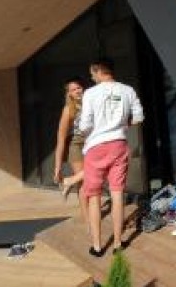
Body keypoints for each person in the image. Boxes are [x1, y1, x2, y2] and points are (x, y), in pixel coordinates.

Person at [78, 58, 143, 257]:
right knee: (117, 194)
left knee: (94, 196)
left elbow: (84, 125)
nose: (91, 76)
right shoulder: (128, 90)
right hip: (119, 145)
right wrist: (121, 125)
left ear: (98, 71)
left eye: (92, 73)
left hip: (96, 148)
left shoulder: (90, 93)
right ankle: (117, 243)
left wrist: (89, 130)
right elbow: (139, 117)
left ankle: (97, 246)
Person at [53, 77, 89, 223]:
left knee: (95, 173)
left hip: (93, 143)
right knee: (84, 183)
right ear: (69, 93)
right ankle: (88, 219)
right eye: (73, 90)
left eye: (79, 88)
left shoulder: (92, 102)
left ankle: (69, 181)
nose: (77, 91)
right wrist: (57, 167)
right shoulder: (68, 110)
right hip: (77, 146)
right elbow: (61, 139)